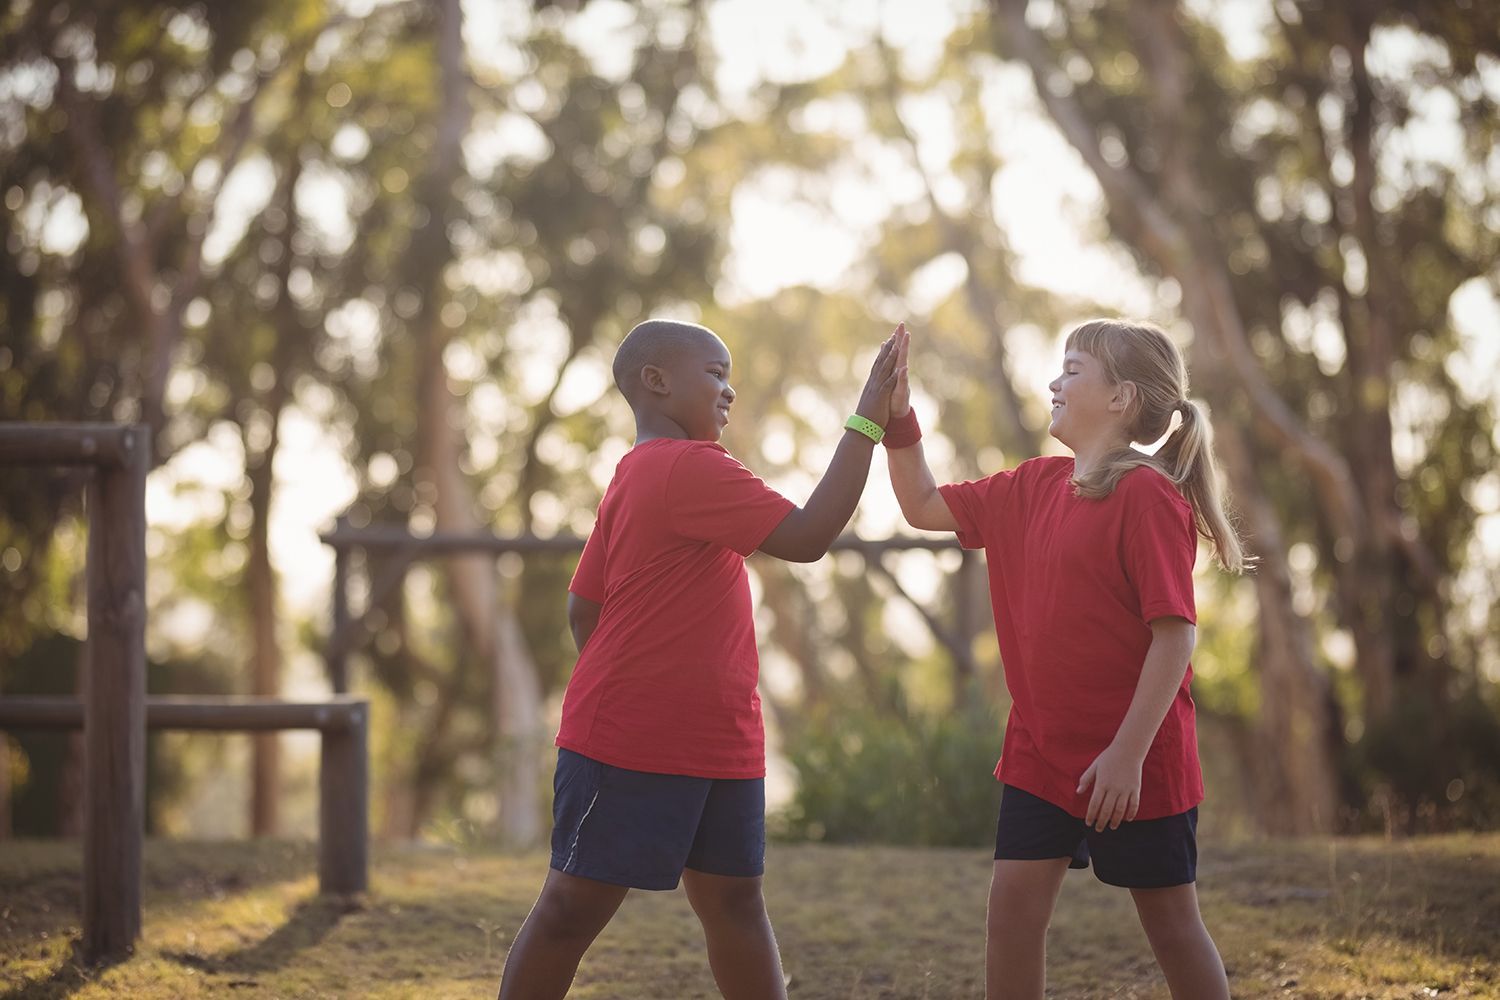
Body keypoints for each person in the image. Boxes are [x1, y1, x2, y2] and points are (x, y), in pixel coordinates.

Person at [496, 319, 906, 1000]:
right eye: (714, 373)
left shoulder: (635, 473)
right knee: (571, 910)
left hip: (721, 742)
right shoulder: (685, 466)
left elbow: (582, 610)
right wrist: (867, 420)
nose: (730, 389)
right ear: (655, 382)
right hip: (632, 741)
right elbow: (806, 537)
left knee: (736, 905)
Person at [883, 319, 1243, 1000]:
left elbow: (1175, 636)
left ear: (1121, 398)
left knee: (1171, 925)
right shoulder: (1029, 487)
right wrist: (899, 418)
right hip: (1041, 752)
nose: (1054, 380)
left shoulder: (1146, 496)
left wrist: (1127, 755)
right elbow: (922, 504)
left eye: (1073, 369)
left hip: (1138, 762)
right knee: (1012, 917)